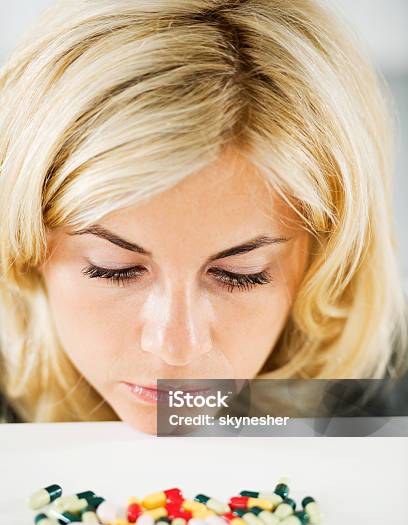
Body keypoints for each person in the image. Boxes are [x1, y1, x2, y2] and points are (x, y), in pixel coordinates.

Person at [0, 0, 407, 435]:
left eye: (239, 274)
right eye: (113, 270)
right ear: (27, 244)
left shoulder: (383, 414)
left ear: (322, 257)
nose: (176, 345)